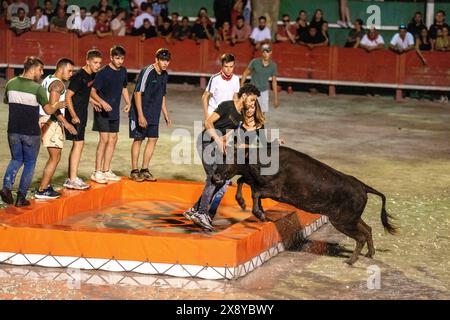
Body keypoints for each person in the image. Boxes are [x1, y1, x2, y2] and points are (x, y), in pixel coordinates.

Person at [186, 84, 261, 231]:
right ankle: (202, 213)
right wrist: (218, 140)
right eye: (252, 100)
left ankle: (194, 210)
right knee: (214, 177)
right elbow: (208, 122)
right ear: (244, 96)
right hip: (206, 142)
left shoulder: (240, 116)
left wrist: (225, 144)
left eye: (254, 101)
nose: (253, 104)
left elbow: (227, 135)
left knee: (222, 180)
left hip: (217, 146)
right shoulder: (227, 106)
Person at [1, 57, 66, 207]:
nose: (42, 73)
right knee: (30, 162)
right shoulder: (37, 88)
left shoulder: (10, 83)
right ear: (33, 69)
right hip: (31, 131)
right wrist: (58, 104)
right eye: (40, 70)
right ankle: (21, 197)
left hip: (13, 130)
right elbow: (49, 109)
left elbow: (6, 101)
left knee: (16, 159)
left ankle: (6, 187)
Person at [129, 48, 172, 182]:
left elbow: (162, 95)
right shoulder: (147, 71)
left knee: (153, 139)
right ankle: (134, 170)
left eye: (167, 61)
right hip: (140, 112)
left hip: (154, 113)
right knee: (138, 139)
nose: (165, 63)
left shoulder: (165, 74)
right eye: (163, 60)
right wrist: (140, 116)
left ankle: (145, 169)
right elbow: (137, 93)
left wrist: (166, 114)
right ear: (156, 60)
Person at [35, 58, 75, 199]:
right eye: (69, 70)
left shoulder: (48, 79)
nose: (71, 74)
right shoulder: (58, 84)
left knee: (54, 156)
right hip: (51, 122)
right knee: (55, 157)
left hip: (45, 120)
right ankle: (42, 190)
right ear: (60, 68)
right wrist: (66, 123)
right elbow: (53, 107)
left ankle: (46, 185)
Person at [90, 45, 131, 184]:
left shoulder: (123, 71)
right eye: (117, 58)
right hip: (102, 111)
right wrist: (102, 103)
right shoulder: (103, 73)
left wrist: (128, 103)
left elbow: (124, 87)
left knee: (113, 139)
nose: (120, 61)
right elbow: (92, 91)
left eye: (122, 58)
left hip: (114, 112)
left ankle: (106, 170)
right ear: (111, 57)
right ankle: (97, 171)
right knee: (104, 140)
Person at [63, 50, 103, 190]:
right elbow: (68, 96)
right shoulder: (79, 76)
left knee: (79, 144)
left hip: (82, 113)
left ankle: (72, 177)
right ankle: (72, 179)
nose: (98, 66)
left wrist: (92, 101)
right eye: (95, 63)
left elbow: (84, 92)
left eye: (99, 63)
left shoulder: (92, 74)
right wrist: (73, 116)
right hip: (75, 115)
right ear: (88, 61)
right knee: (78, 144)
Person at [241, 44, 279, 113]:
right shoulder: (255, 62)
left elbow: (274, 82)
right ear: (261, 52)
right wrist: (241, 87)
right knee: (250, 111)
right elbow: (245, 73)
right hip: (252, 90)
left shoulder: (273, 65)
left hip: (264, 91)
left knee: (262, 113)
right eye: (264, 52)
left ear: (270, 52)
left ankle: (259, 124)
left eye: (267, 51)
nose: (265, 54)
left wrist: (275, 98)